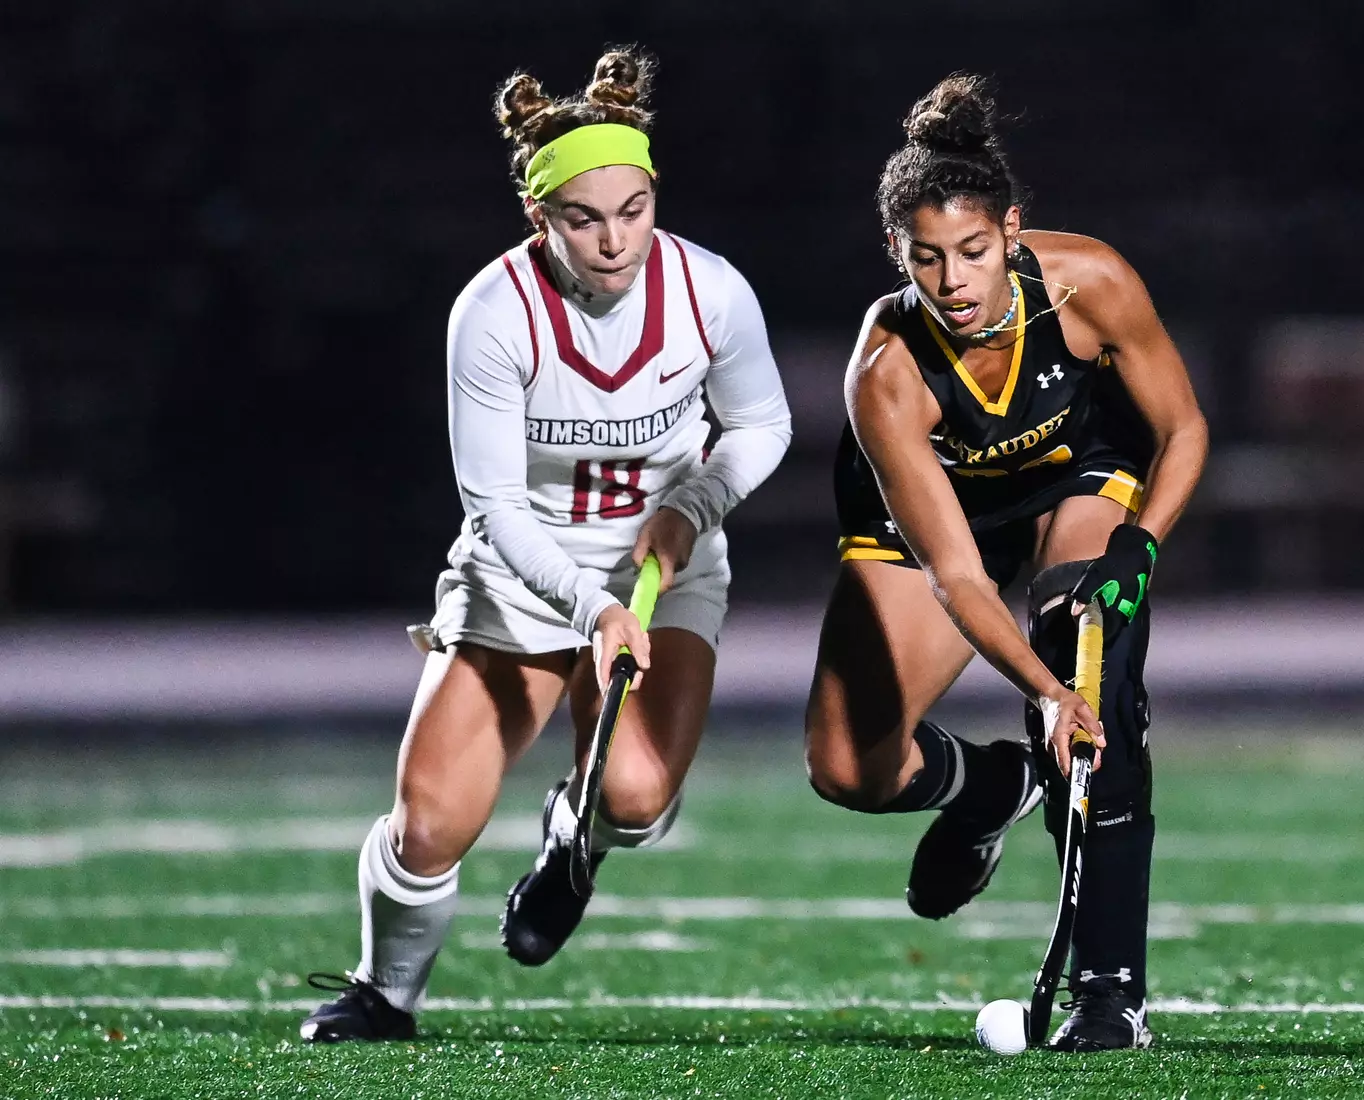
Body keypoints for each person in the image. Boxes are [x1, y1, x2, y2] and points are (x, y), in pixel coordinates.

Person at [300, 47, 792, 1042]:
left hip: (661, 565)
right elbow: (495, 509)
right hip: (525, 573)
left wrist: (693, 506)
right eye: (582, 217)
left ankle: (576, 831)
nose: (615, 240)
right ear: (539, 218)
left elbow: (761, 427)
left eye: (633, 210)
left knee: (639, 798)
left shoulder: (713, 292)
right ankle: (383, 994)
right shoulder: (491, 315)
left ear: (655, 196)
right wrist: (591, 607)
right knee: (429, 823)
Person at [804, 74, 1207, 1052]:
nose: (955, 284)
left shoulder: (1091, 284)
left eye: (975, 252)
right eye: (928, 259)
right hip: (947, 525)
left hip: (1079, 475)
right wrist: (1041, 697)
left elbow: (1184, 428)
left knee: (1087, 656)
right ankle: (992, 786)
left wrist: (1135, 553)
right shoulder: (885, 376)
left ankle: (1110, 994)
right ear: (893, 253)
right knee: (847, 766)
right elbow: (957, 579)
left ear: (1014, 233)